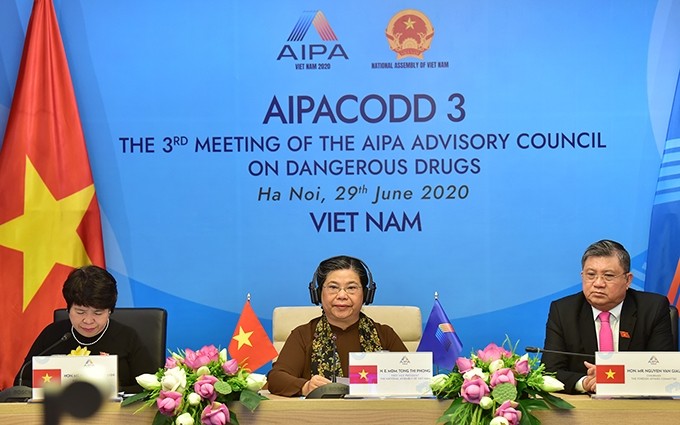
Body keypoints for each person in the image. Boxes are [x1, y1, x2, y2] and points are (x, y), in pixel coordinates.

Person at [542, 240, 675, 394]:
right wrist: (585, 382)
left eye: (608, 276)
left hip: (637, 406)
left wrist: (612, 377)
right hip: (584, 408)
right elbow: (550, 372)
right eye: (591, 275)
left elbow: (662, 371)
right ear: (582, 276)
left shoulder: (652, 308)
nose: (598, 283)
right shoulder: (564, 311)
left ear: (628, 280)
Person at [267, 255, 408, 397]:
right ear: (318, 294)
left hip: (377, 416)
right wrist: (305, 386)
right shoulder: (304, 334)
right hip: (320, 417)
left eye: (351, 288)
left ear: (366, 294)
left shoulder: (384, 334)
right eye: (333, 287)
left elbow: (412, 378)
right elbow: (276, 379)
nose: (342, 295)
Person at [14, 265, 155, 393]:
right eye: (80, 312)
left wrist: (113, 391)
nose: (88, 321)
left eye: (98, 313)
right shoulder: (53, 336)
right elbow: (22, 384)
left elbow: (151, 387)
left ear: (110, 311)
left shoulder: (127, 337)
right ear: (68, 308)